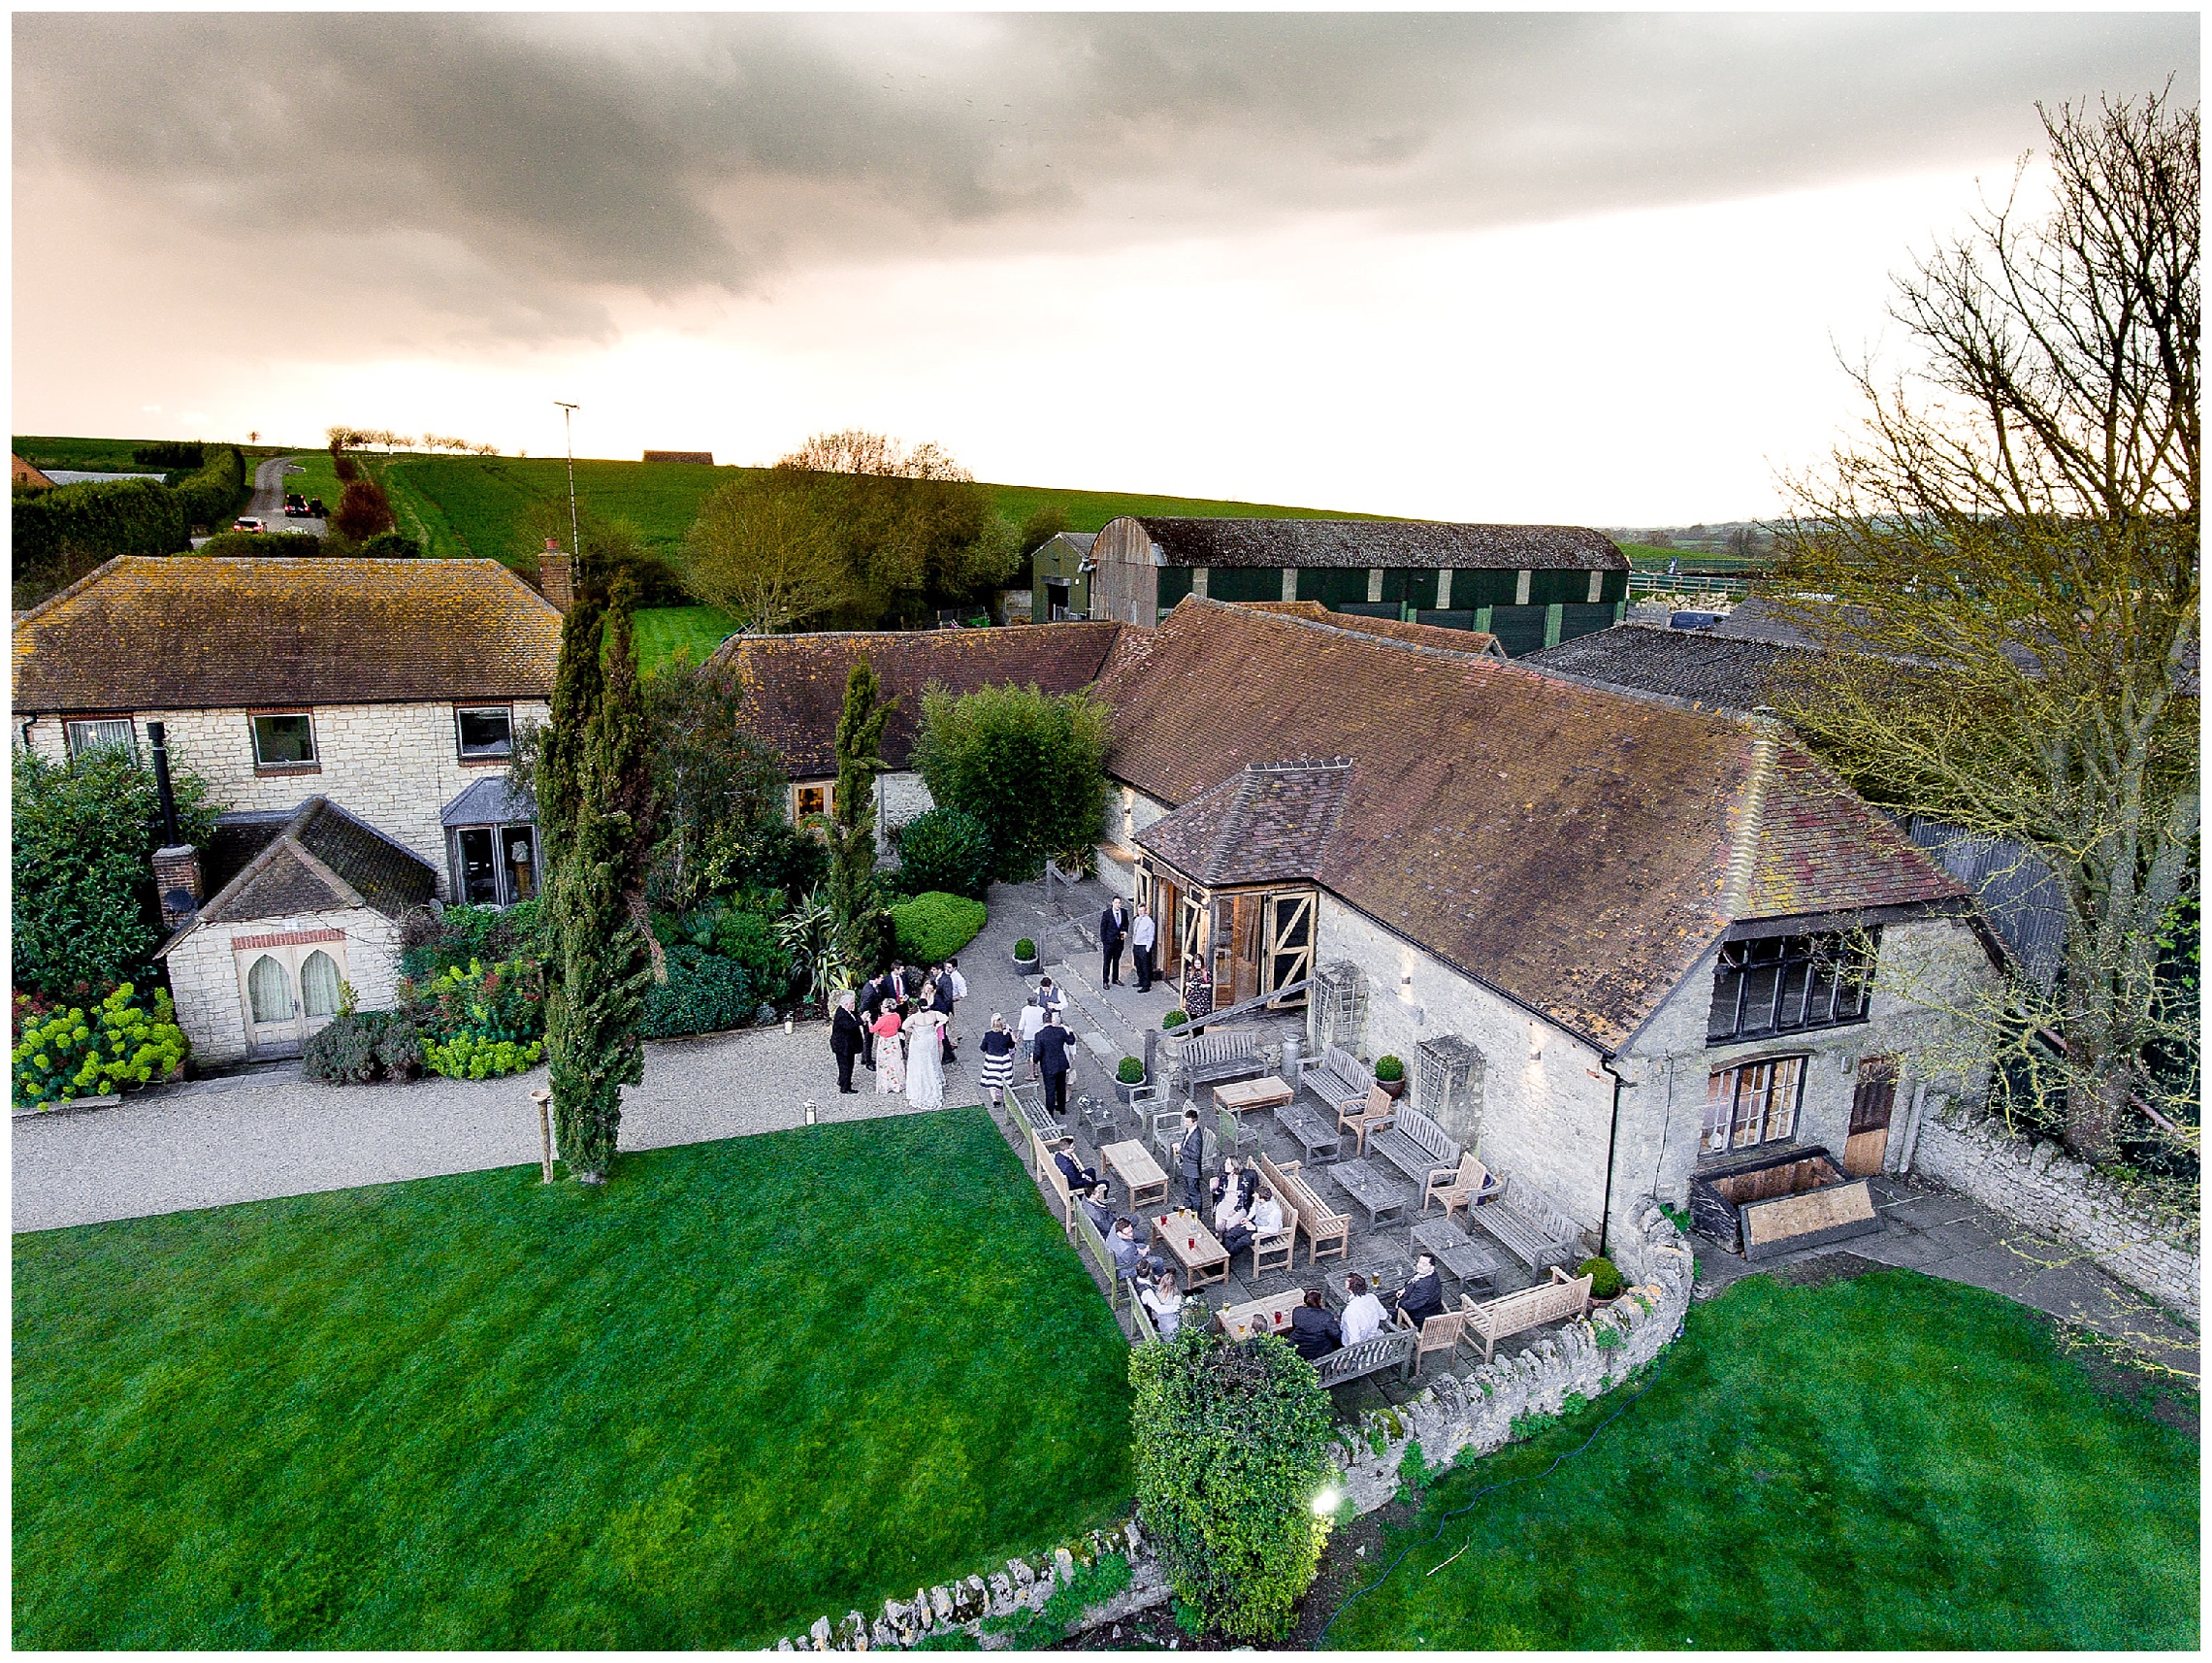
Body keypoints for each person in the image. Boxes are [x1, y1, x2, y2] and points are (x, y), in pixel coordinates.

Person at [904, 1003, 946, 1110]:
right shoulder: (933, 1014)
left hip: (919, 1041)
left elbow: (904, 1026)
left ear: (918, 1007)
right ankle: (934, 1081)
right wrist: (936, 1026)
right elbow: (944, 1018)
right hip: (930, 1039)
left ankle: (920, 1085)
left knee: (919, 1062)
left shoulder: (914, 1017)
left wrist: (913, 1031)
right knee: (931, 1060)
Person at [1390, 1252, 1448, 1328]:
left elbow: (1410, 1305)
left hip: (1418, 1317)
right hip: (1430, 1307)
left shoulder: (1425, 1287)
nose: (1420, 1266)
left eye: (1424, 1265)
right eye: (1419, 1262)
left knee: (1383, 1313)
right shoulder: (1429, 1274)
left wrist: (1399, 1303)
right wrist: (1405, 1289)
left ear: (1431, 1267)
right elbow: (1414, 1282)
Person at [1033, 1011, 1073, 1119]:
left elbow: (1038, 1052)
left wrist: (1035, 1061)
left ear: (1043, 1021)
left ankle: (1050, 1114)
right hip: (1061, 1064)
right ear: (1052, 1020)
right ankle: (1062, 1108)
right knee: (1061, 1088)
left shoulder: (1039, 1035)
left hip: (1048, 1066)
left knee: (1050, 1091)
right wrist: (1071, 1032)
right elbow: (1071, 1041)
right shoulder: (1060, 1031)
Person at [1288, 1287, 1340, 1361]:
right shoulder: (1326, 1316)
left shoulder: (1297, 1311)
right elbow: (1336, 1335)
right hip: (1319, 1351)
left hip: (1298, 1348)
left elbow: (1295, 1326)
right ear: (1319, 1301)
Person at [830, 990, 865, 1093]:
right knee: (846, 1066)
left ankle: (842, 1081)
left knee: (845, 1065)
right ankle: (845, 1088)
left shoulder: (849, 1011)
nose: (854, 1005)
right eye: (852, 1003)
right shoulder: (841, 1015)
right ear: (846, 1004)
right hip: (843, 1046)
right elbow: (849, 1025)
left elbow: (854, 1019)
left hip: (848, 1044)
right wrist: (861, 1020)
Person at [977, 1014, 1017, 1108]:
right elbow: (1011, 1046)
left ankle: (995, 1100)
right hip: (1003, 1060)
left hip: (992, 1060)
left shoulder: (988, 1035)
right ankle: (1005, 1100)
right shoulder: (1006, 1035)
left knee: (992, 1080)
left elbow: (982, 1048)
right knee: (1005, 1081)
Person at [1340, 1273, 1388, 1346]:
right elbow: (1384, 1316)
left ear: (1349, 1289)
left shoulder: (1350, 1311)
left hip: (1360, 1345)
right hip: (1373, 1337)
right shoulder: (1372, 1297)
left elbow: (1354, 1340)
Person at [1176, 1106, 1206, 1216]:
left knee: (1194, 1192)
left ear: (1195, 1122)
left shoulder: (1196, 1137)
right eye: (1185, 1121)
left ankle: (1197, 1214)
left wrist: (1181, 1150)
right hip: (1187, 1166)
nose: (1185, 1124)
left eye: (1188, 1122)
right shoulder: (1190, 1129)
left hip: (1192, 1168)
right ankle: (1188, 1205)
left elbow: (1195, 1155)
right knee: (1188, 1188)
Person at [872, 1000, 907, 1094]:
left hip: (885, 1041)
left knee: (885, 1062)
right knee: (896, 1060)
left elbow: (872, 1030)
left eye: (883, 1006)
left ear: (887, 1008)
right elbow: (899, 1025)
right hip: (894, 1040)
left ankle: (887, 1084)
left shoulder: (882, 1019)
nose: (881, 1007)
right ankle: (899, 1082)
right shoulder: (897, 1015)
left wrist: (868, 1021)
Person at [1140, 1267, 1184, 1339]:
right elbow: (1164, 1310)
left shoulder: (1156, 1293)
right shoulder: (1175, 1298)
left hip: (1161, 1324)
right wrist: (1180, 1305)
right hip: (1171, 1327)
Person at [1017, 995, 1048, 1079]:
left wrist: (1019, 1034)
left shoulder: (1025, 1010)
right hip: (1039, 1036)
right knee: (1038, 1054)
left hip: (1028, 1035)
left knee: (1030, 1056)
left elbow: (1022, 1023)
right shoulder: (1042, 1010)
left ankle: (1032, 1074)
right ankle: (1036, 1070)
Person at [1100, 897, 1129, 987]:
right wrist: (1104, 941)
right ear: (1112, 903)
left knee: (1116, 961)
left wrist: (1124, 932)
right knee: (1107, 962)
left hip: (1119, 942)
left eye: (1119, 903)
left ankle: (1115, 978)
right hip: (1109, 942)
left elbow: (1126, 924)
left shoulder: (1124, 912)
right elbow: (1103, 928)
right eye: (1116, 903)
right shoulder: (1107, 914)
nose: (1118, 905)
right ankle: (1105, 981)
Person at [1130, 902, 1157, 993]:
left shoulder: (1149, 922)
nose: (1141, 912)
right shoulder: (1137, 920)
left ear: (1145, 911)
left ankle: (1146, 985)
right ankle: (1140, 980)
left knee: (1145, 966)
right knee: (1138, 965)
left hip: (1143, 946)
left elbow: (1151, 935)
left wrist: (1147, 948)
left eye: (1142, 911)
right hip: (1136, 944)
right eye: (1139, 910)